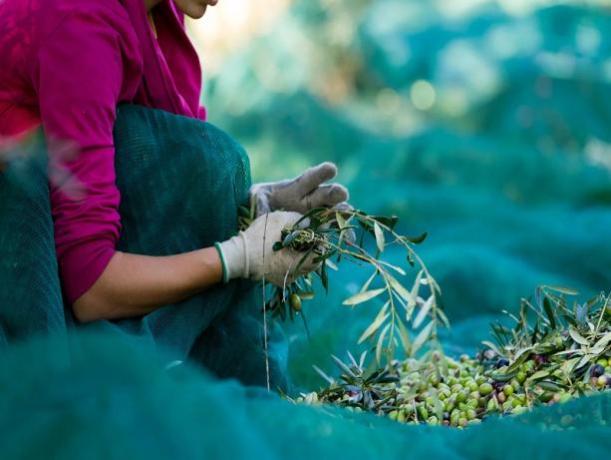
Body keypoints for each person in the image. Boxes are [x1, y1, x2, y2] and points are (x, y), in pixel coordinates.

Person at [0, 0, 349, 383]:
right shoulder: (82, 22)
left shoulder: (155, 11)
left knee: (209, 163)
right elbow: (91, 288)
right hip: (20, 251)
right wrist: (236, 257)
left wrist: (246, 205)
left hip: (57, 209)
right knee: (211, 162)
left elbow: (170, 175)